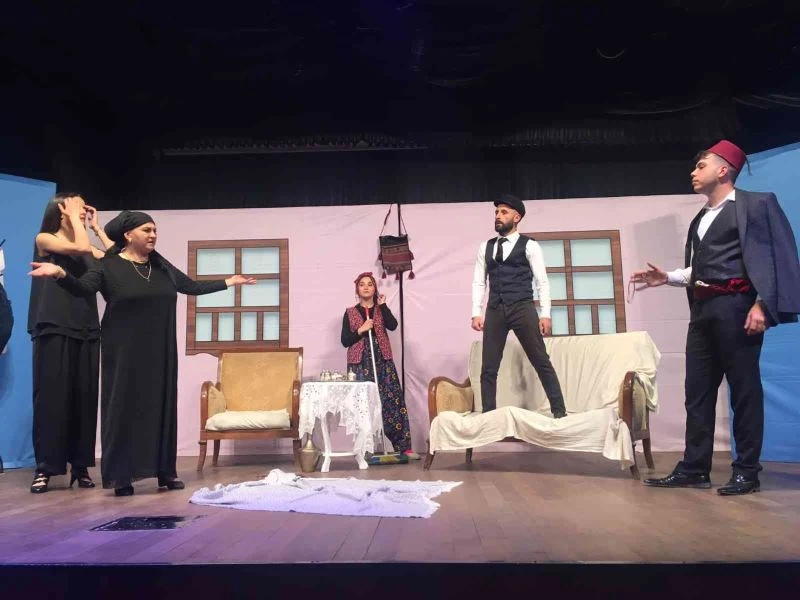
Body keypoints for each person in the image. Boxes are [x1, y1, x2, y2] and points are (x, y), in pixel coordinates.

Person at [29, 210, 256, 496]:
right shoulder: (108, 266)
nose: (153, 235)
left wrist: (228, 282)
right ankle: (121, 476)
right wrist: (60, 273)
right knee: (123, 410)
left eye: (155, 230)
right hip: (122, 351)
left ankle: (165, 471)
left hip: (160, 349)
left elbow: (190, 286)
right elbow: (83, 288)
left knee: (160, 406)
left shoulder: (160, 265)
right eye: (147, 230)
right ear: (128, 235)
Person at [631, 140, 800, 495]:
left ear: (723, 170)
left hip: (737, 308)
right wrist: (668, 277)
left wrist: (762, 305)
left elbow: (778, 255)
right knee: (697, 392)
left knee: (744, 392)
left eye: (701, 165)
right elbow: (704, 268)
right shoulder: (702, 217)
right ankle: (695, 468)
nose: (693, 172)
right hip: (703, 311)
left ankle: (747, 472)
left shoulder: (757, 204)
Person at [27, 194, 115, 494]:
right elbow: (77, 247)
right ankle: (45, 467)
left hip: (87, 328)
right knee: (51, 399)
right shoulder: (45, 239)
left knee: (84, 400)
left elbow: (117, 259)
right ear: (60, 210)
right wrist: (76, 222)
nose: (82, 210)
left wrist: (96, 228)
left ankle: (80, 466)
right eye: (76, 206)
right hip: (52, 326)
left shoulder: (86, 245)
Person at [471, 194, 567, 417]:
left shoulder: (530, 245)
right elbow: (479, 281)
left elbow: (542, 281)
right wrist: (476, 312)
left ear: (517, 217)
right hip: (495, 309)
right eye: (496, 212)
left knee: (540, 360)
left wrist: (545, 314)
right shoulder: (485, 247)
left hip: (522, 307)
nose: (498, 216)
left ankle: (559, 411)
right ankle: (489, 416)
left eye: (504, 212)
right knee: (488, 367)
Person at [340, 272, 419, 459]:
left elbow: (393, 325)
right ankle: (364, 449)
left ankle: (403, 447)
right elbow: (345, 341)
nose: (366, 287)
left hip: (382, 360)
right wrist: (361, 330)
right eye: (362, 284)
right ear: (357, 289)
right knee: (362, 404)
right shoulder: (350, 312)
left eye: (370, 284)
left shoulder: (380, 309)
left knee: (392, 401)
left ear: (375, 289)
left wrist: (383, 306)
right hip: (359, 363)